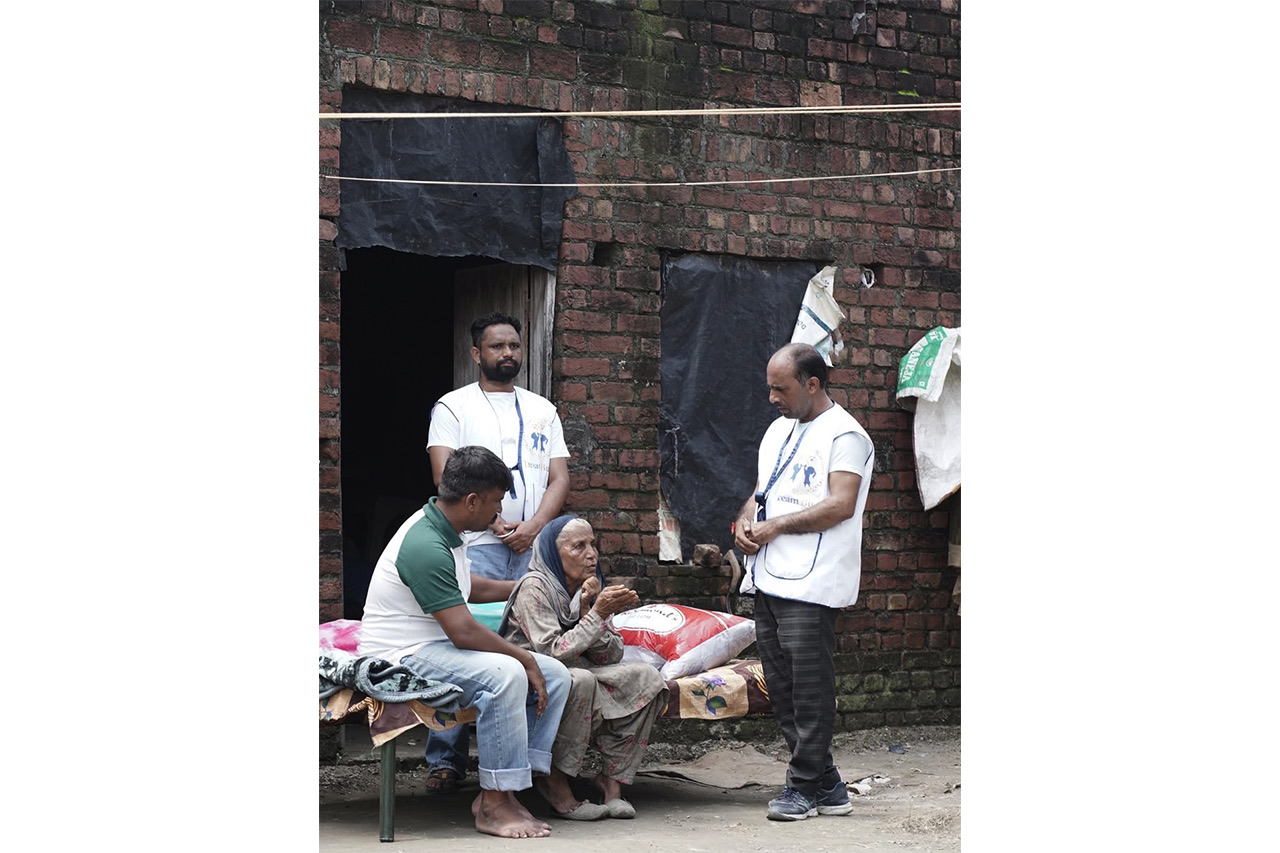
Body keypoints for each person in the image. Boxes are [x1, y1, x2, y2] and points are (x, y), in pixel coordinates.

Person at [358, 446, 572, 839]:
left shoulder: (449, 530)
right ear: (472, 501)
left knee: (556, 674)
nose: (499, 512)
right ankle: (493, 803)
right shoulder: (424, 544)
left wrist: (525, 586)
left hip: (435, 645)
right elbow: (463, 630)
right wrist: (522, 656)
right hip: (401, 653)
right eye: (495, 502)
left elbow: (468, 587)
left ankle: (512, 787)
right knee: (507, 672)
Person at [421, 311, 571, 794]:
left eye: (514, 346)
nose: (507, 354)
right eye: (496, 347)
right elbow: (446, 477)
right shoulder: (453, 406)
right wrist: (497, 520)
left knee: (526, 643)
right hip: (476, 545)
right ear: (476, 354)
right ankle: (445, 760)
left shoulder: (543, 408)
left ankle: (517, 763)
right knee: (465, 642)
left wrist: (533, 527)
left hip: (530, 547)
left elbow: (559, 477)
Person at [732, 342, 875, 822]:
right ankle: (827, 784)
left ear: (813, 384)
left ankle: (803, 786)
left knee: (810, 688)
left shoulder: (847, 435)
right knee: (783, 685)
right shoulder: (777, 430)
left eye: (781, 387)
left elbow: (841, 504)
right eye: (770, 386)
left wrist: (775, 527)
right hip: (770, 575)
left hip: (814, 581)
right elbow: (760, 495)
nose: (771, 396)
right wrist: (747, 523)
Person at [499, 515, 669, 821]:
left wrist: (592, 610)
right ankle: (554, 781)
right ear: (554, 553)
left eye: (593, 544)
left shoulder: (589, 587)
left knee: (647, 678)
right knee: (579, 680)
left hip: (578, 668)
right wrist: (595, 617)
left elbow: (612, 656)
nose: (592, 554)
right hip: (533, 675)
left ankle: (611, 782)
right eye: (578, 546)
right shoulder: (534, 588)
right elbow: (552, 654)